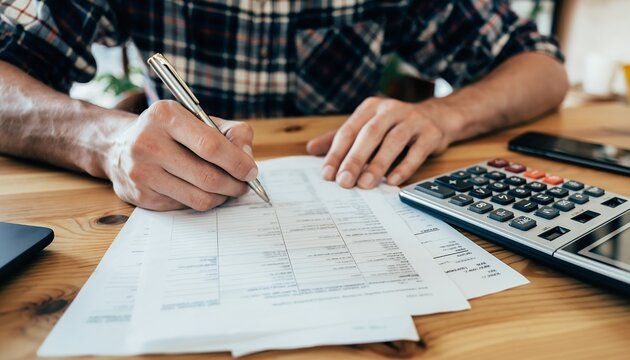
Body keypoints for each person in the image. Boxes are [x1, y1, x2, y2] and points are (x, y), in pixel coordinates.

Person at [0, 1, 568, 211]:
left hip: (349, 186)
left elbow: (541, 66)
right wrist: (109, 141)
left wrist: (446, 114)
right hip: (161, 201)